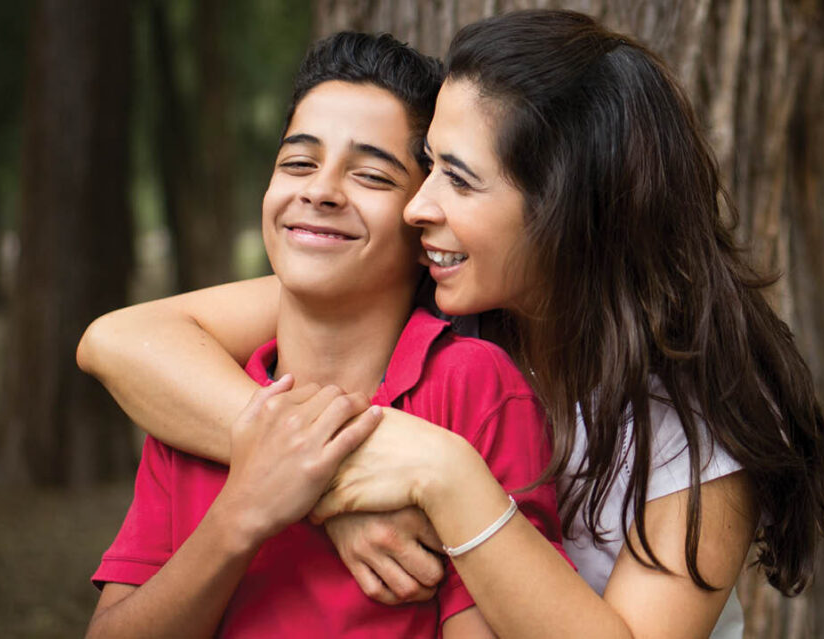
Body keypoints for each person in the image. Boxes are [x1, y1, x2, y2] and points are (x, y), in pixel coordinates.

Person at [79, 10, 824, 638]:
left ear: (561, 212)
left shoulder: (693, 420)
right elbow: (119, 342)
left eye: (457, 178)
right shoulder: (436, 297)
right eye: (427, 166)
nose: (419, 208)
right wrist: (325, 485)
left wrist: (448, 479)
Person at [84, 31, 564, 639]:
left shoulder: (470, 386)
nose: (318, 190)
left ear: (421, 221)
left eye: (370, 175)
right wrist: (245, 512)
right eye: (298, 163)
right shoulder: (192, 402)